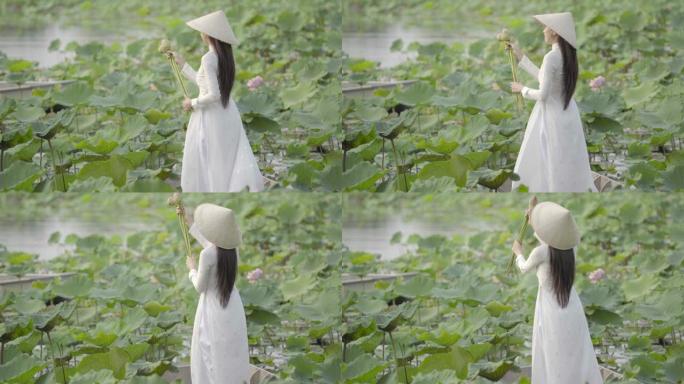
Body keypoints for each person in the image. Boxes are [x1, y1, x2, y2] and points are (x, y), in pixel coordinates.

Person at [171, 10, 264, 192]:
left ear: (209, 35)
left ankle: (214, 190)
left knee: (211, 158)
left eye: (202, 31)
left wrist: (193, 103)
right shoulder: (223, 57)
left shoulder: (208, 58)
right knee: (226, 157)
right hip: (227, 112)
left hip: (212, 115)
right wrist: (183, 65)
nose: (201, 34)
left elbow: (213, 94)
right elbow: (204, 81)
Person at [511, 201, 603, 383]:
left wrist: (518, 252)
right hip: (571, 304)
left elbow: (523, 268)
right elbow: (552, 241)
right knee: (575, 349)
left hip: (550, 308)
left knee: (553, 350)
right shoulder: (571, 250)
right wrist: (533, 222)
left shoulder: (540, 252)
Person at [508, 12, 597, 192]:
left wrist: (522, 89)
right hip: (568, 115)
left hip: (552, 117)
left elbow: (543, 95)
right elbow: (545, 78)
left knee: (551, 159)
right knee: (566, 159)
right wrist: (520, 56)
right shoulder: (567, 55)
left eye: (545, 27)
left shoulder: (551, 57)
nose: (543, 31)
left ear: (555, 33)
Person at [186, 203, 250, 384]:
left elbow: (200, 287)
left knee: (210, 353)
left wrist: (191, 270)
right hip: (232, 306)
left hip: (212, 309)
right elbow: (208, 243)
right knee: (230, 353)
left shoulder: (207, 254)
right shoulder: (231, 250)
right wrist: (187, 220)